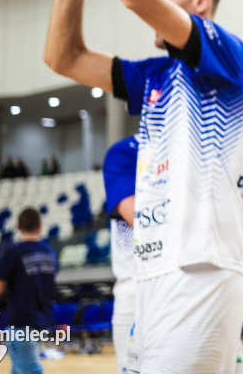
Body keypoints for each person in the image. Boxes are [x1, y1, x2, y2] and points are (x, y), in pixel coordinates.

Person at [42, 0, 243, 373]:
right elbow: (63, 56)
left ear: (200, 1)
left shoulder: (229, 56)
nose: (154, 1)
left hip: (200, 268)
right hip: (153, 272)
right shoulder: (154, 76)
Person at [0, 207, 58, 374]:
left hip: (21, 322)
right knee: (19, 369)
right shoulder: (49, 252)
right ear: (40, 226)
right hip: (42, 320)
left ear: (18, 227)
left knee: (30, 370)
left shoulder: (14, 253)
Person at [103, 135, 138, 374]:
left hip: (196, 282)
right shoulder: (125, 151)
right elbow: (137, 216)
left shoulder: (200, 144)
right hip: (136, 286)